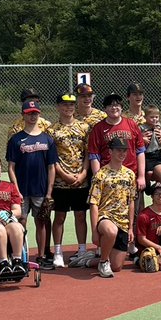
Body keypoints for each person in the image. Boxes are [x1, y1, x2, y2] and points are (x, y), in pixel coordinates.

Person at [7, 99, 58, 269]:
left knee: (41, 221)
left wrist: (49, 192)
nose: (32, 116)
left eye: (35, 113)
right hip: (21, 189)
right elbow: (11, 167)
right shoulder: (16, 139)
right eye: (29, 114)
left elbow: (51, 167)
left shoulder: (47, 140)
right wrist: (15, 189)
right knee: (20, 221)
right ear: (23, 115)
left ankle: (42, 255)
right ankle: (19, 255)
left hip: (40, 189)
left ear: (39, 114)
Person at [51, 93, 93, 268]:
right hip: (61, 181)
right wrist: (64, 175)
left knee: (81, 215)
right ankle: (58, 252)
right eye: (64, 105)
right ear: (58, 107)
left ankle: (82, 250)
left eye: (71, 105)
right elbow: (52, 159)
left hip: (80, 180)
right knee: (59, 216)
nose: (68, 108)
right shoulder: (52, 130)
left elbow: (88, 154)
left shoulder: (84, 127)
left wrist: (83, 174)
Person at [88, 138, 136, 278]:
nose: (122, 153)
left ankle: (90, 261)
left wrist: (131, 227)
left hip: (123, 222)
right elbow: (93, 203)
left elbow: (131, 201)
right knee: (111, 231)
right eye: (118, 150)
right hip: (105, 218)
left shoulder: (130, 174)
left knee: (116, 266)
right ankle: (103, 262)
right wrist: (94, 231)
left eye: (124, 150)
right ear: (110, 151)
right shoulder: (101, 175)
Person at [134, 184, 161, 271]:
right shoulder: (144, 215)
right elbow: (141, 239)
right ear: (152, 197)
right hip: (148, 249)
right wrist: (158, 248)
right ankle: (141, 260)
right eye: (157, 193)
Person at [140, 103, 161, 203]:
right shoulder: (142, 127)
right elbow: (137, 137)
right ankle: (148, 184)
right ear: (145, 117)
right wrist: (142, 138)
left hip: (157, 152)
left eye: (156, 117)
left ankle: (158, 180)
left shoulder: (158, 125)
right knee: (149, 173)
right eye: (151, 117)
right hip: (148, 155)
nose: (154, 119)